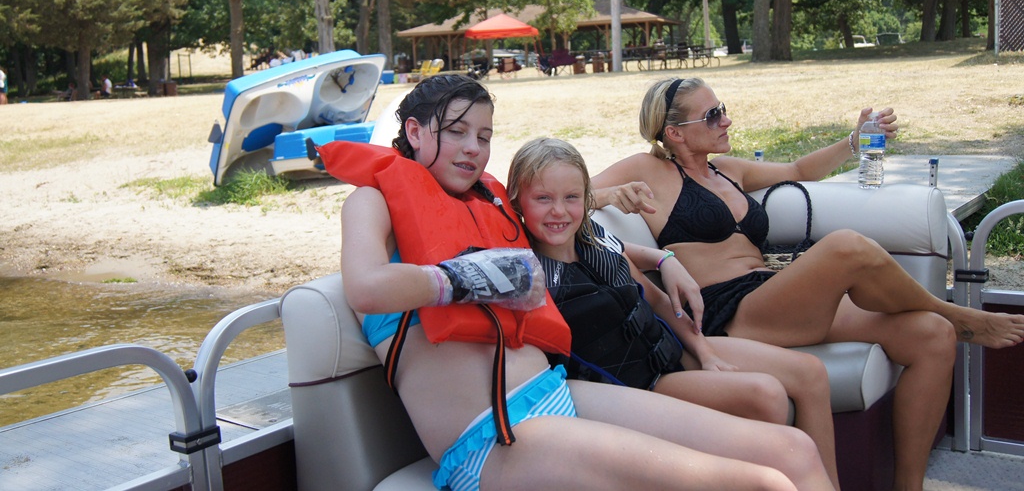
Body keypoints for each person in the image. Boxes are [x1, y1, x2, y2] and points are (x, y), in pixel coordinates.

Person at [323, 74, 835, 491]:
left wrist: (661, 256)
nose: (472, 149)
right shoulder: (374, 202)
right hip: (493, 437)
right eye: (456, 131)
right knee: (761, 484)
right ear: (415, 132)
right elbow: (366, 287)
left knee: (791, 451)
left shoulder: (485, 207)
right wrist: (470, 277)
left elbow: (570, 221)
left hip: (562, 394)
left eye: (484, 136)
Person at [591, 76, 1024, 491]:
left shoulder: (726, 170)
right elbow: (569, 194)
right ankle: (955, 312)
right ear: (675, 133)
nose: (726, 120)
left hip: (769, 293)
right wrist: (610, 196)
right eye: (712, 116)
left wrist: (854, 140)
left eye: (722, 109)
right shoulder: (648, 169)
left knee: (931, 335)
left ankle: (908, 485)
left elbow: (799, 169)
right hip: (726, 312)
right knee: (846, 248)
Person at [508, 136, 840, 489]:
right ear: (516, 203)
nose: (559, 211)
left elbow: (658, 301)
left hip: (670, 348)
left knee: (807, 372)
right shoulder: (525, 276)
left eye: (571, 198)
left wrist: (706, 353)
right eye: (543, 199)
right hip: (638, 385)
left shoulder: (597, 242)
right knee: (766, 394)